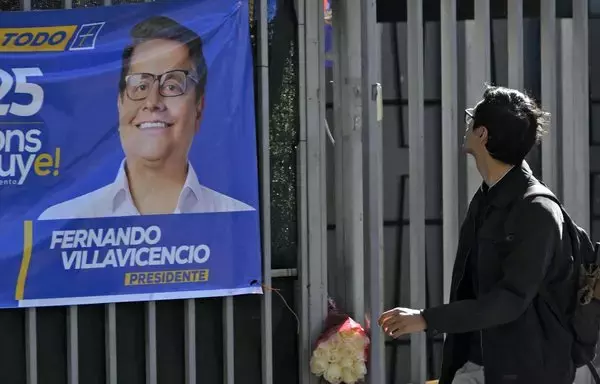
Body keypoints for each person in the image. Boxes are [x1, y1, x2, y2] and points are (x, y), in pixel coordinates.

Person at [378, 86, 576, 384]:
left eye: (471, 118)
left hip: (525, 371)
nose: (466, 124)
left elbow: (509, 299)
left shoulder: (537, 210)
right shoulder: (488, 195)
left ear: (482, 134)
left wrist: (426, 318)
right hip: (477, 365)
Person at [39, 16, 253, 220]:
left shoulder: (235, 220)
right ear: (120, 103)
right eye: (140, 85)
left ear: (199, 107)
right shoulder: (62, 221)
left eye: (172, 86)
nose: (152, 102)